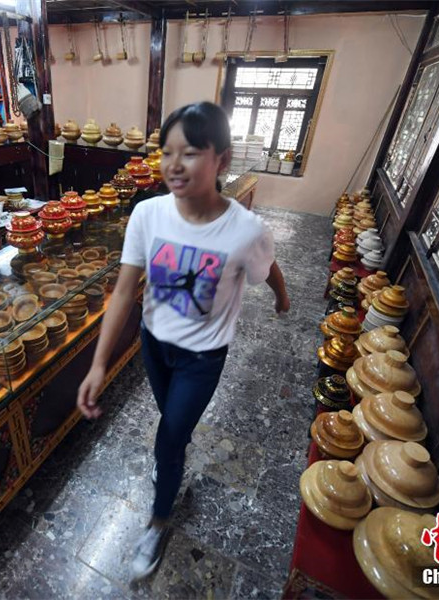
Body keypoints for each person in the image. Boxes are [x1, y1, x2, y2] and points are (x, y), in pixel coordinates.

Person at [76, 101, 290, 580]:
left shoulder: (245, 229)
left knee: (168, 438)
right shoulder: (147, 215)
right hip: (155, 347)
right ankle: (173, 454)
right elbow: (125, 292)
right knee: (173, 423)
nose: (174, 164)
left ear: (223, 160)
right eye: (166, 151)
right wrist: (98, 365)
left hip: (203, 358)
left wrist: (282, 297)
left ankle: (156, 520)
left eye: (190, 152)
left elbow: (267, 265)